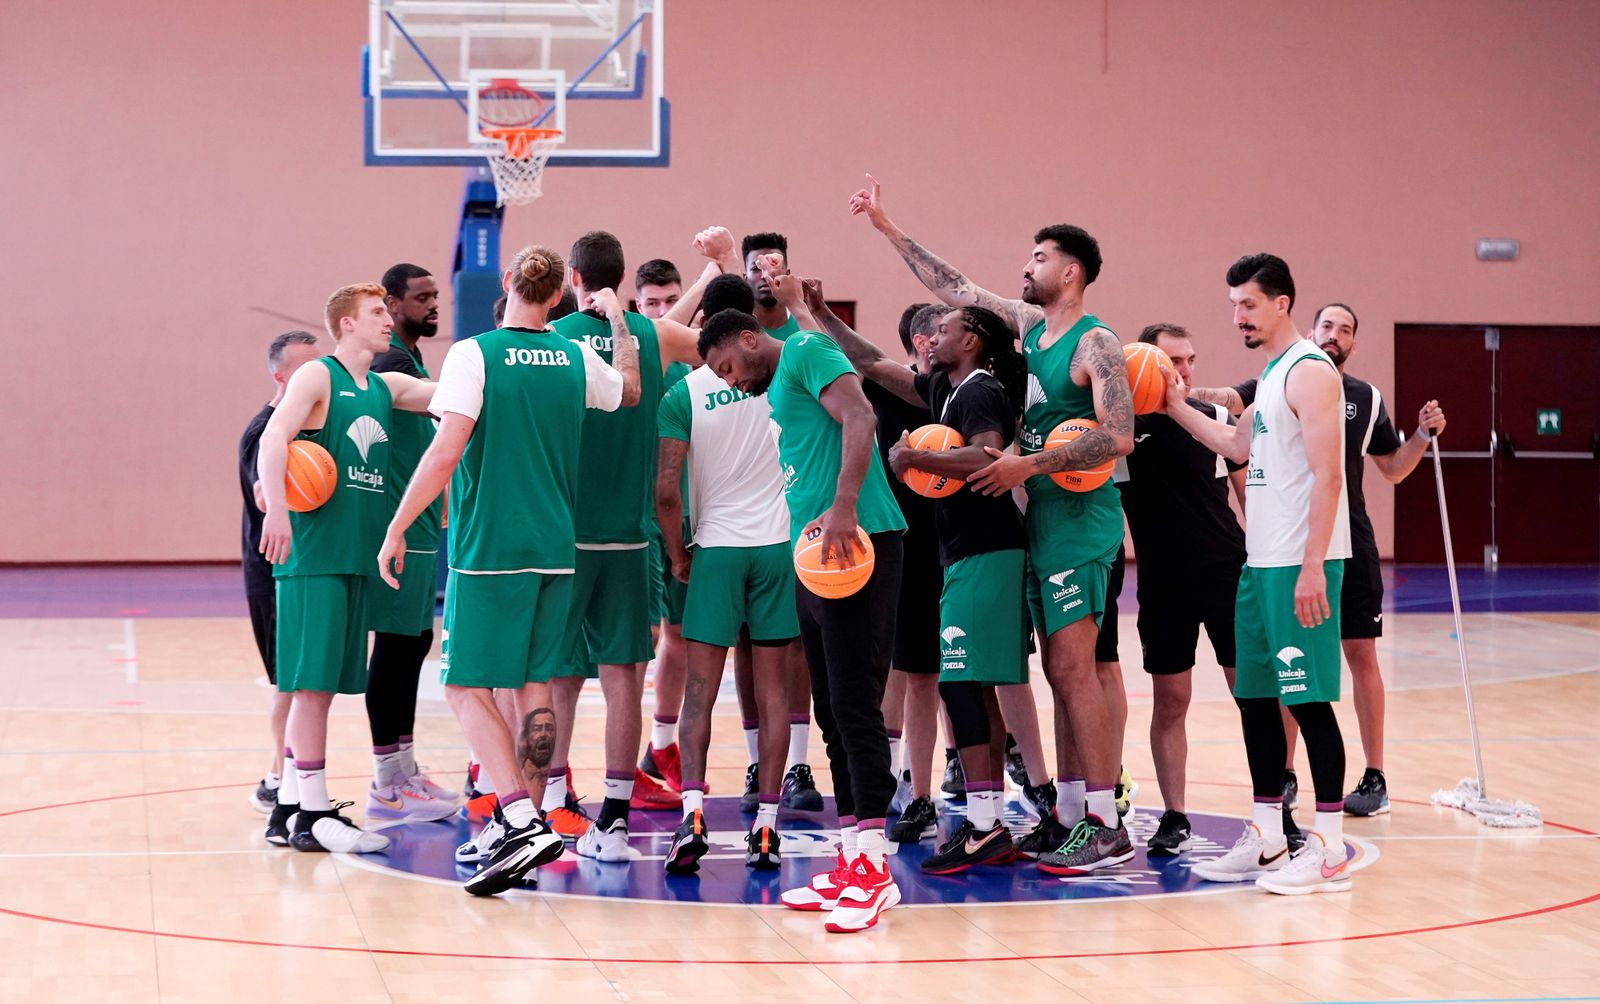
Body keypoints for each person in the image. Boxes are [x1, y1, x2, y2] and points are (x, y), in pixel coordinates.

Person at [851, 174, 1136, 874]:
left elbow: (1120, 435)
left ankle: (1104, 821)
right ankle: (1071, 814)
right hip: (1043, 521)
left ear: (1070, 271)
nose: (1025, 267)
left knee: (1075, 671)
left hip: (1081, 517)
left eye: (1037, 258)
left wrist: (1028, 468)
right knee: (1064, 674)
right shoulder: (1034, 328)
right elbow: (955, 289)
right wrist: (887, 228)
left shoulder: (1096, 343)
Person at [377, 245, 635, 896]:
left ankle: (517, 817)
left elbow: (444, 450)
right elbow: (627, 391)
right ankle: (537, 817)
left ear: (506, 283)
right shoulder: (577, 355)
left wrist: (398, 523)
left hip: (492, 547)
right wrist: (623, 327)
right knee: (533, 687)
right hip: (556, 546)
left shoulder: (475, 353)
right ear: (557, 297)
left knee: (466, 688)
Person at [699, 267, 908, 933]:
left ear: (750, 341)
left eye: (731, 366)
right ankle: (852, 856)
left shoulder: (805, 353)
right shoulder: (790, 367)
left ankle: (874, 866)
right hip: (816, 553)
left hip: (859, 542)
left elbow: (861, 413)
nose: (733, 382)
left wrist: (844, 508)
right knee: (827, 711)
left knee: (854, 704)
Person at [1193, 303, 1446, 816]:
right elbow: (1229, 406)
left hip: (1345, 544)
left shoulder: (1365, 397)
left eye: (1346, 329)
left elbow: (1393, 470)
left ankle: (1374, 776)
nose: (1335, 335)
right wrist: (1180, 390)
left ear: (1354, 343)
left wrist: (1420, 435)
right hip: (1294, 545)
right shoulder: (1286, 375)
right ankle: (1283, 774)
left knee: (1360, 656)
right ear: (1311, 330)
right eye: (1328, 325)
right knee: (1289, 666)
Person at [1163, 254, 1357, 895]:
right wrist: (1172, 404)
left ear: (1281, 303)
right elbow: (1234, 446)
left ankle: (1328, 847)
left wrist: (1310, 569)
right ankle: (1268, 833)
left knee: (1308, 701)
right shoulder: (1271, 376)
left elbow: (1330, 477)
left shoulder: (1309, 373)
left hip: (1302, 565)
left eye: (1247, 304)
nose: (1238, 316)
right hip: (1259, 563)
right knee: (1256, 702)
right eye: (1232, 306)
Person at [822, 297, 1033, 874]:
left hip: (989, 549)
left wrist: (914, 457)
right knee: (969, 687)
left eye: (945, 330)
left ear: (971, 342)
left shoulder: (981, 389)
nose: (932, 338)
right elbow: (868, 361)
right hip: (966, 550)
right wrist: (815, 309)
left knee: (964, 686)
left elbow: (984, 456)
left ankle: (986, 826)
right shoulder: (946, 388)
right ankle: (986, 824)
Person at [544, 231, 712, 861]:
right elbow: (722, 356)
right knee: (624, 680)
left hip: (566, 535)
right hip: (630, 533)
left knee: (557, 677)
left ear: (571, 277)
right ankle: (613, 821)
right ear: (621, 277)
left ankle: (554, 804)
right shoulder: (654, 336)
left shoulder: (552, 343)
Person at [256, 283, 438, 855]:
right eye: (377, 313)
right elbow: (273, 436)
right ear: (346, 324)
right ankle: (313, 815)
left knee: (329, 688)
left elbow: (447, 393)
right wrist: (280, 514)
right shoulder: (318, 377)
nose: (388, 321)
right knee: (311, 689)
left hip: (357, 557)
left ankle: (289, 807)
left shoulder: (384, 387)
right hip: (313, 556)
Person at [656, 272, 801, 874]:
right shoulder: (783, 372)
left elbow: (666, 492)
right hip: (778, 548)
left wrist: (678, 554)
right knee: (772, 696)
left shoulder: (684, 391)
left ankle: (692, 815)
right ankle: (765, 828)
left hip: (714, 549)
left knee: (699, 691)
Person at [1118, 324, 1248, 855]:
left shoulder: (1217, 421)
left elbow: (1250, 500)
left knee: (1254, 696)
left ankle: (1275, 803)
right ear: (1147, 366)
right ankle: (1174, 814)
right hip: (1163, 584)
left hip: (1228, 576)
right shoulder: (1120, 435)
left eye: (1191, 360)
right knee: (1171, 700)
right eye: (1174, 361)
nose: (1186, 371)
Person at [362, 263, 456, 824]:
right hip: (401, 526)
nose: (433, 306)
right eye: (421, 299)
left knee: (413, 645)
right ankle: (385, 781)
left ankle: (404, 770)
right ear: (392, 305)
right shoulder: (392, 362)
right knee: (396, 651)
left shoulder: (410, 358)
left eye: (435, 296)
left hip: (421, 528)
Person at [240, 330, 320, 814]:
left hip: (300, 569)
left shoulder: (304, 426)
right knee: (287, 682)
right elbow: (264, 496)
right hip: (270, 570)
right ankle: (275, 775)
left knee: (299, 678)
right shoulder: (264, 432)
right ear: (280, 376)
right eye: (306, 367)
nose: (317, 374)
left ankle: (285, 772)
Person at [743, 232, 802, 339]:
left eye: (773, 266)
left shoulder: (806, 327)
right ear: (745, 278)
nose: (765, 275)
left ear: (787, 275)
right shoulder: (736, 332)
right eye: (756, 269)